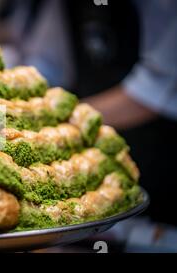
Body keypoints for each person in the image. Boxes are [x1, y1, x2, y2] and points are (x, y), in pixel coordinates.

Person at [23, 0, 177, 224]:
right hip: (88, 164)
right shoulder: (61, 5)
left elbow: (157, 87)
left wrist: (61, 119)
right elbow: (46, 65)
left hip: (159, 153)